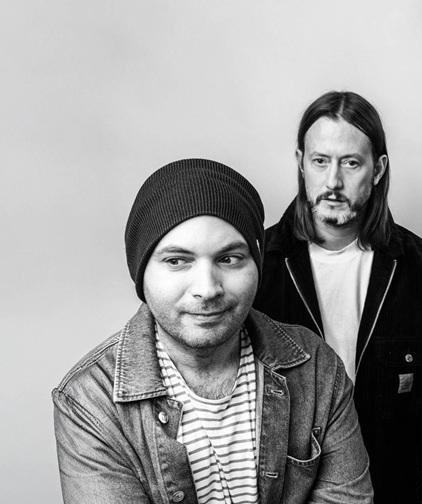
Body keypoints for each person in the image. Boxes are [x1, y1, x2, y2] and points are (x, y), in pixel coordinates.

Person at [52, 159, 372, 504]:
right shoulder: (91, 399)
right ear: (141, 274)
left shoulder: (314, 365)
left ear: (257, 266)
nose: (207, 289)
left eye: (229, 259)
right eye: (177, 261)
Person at [253, 91, 422, 504]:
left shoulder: (421, 269)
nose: (333, 182)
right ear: (300, 163)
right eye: (320, 161)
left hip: (391, 492)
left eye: (350, 163)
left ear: (377, 169)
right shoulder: (259, 267)